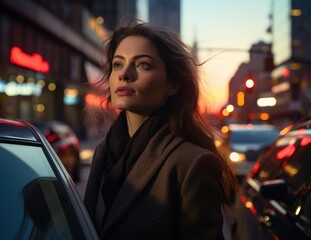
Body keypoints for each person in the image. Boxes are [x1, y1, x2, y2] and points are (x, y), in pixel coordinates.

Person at [84, 18, 238, 240]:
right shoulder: (104, 151)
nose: (124, 74)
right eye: (118, 63)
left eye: (142, 64)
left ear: (173, 84)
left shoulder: (192, 163)